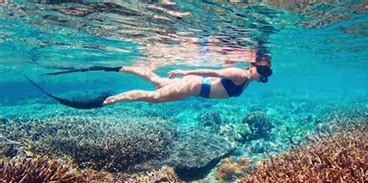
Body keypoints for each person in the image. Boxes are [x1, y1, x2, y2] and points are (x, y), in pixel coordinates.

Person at [102, 61, 272, 105]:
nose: (263, 76)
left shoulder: (247, 78)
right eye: (262, 71)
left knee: (158, 82)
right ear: (253, 66)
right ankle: (111, 99)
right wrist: (186, 72)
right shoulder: (239, 74)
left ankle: (123, 68)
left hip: (193, 85)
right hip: (191, 87)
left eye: (266, 73)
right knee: (153, 97)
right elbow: (212, 72)